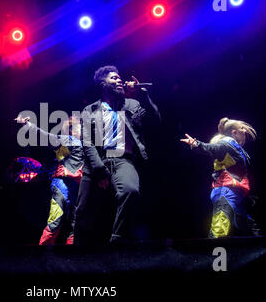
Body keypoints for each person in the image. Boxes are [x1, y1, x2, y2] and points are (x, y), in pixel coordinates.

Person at [74, 65, 161, 244]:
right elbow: (87, 142)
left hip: (123, 160)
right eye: (114, 78)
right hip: (96, 162)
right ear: (102, 84)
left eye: (120, 78)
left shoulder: (132, 104)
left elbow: (155, 120)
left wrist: (142, 95)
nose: (119, 80)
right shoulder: (90, 110)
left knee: (131, 191)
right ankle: (78, 251)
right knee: (83, 210)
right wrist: (99, 170)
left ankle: (118, 240)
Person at [180, 117, 261, 238]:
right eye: (242, 129)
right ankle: (211, 256)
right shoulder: (226, 144)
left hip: (234, 194)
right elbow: (211, 148)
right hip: (226, 193)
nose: (244, 131)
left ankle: (260, 253)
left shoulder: (234, 147)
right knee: (219, 231)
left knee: (251, 229)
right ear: (234, 132)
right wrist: (196, 144)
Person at [15, 114, 83, 245]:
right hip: (62, 188)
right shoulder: (68, 140)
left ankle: (71, 259)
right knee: (55, 223)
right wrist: (28, 126)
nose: (82, 128)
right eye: (79, 125)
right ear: (72, 129)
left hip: (76, 190)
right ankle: (42, 257)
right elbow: (46, 137)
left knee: (75, 227)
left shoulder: (82, 145)